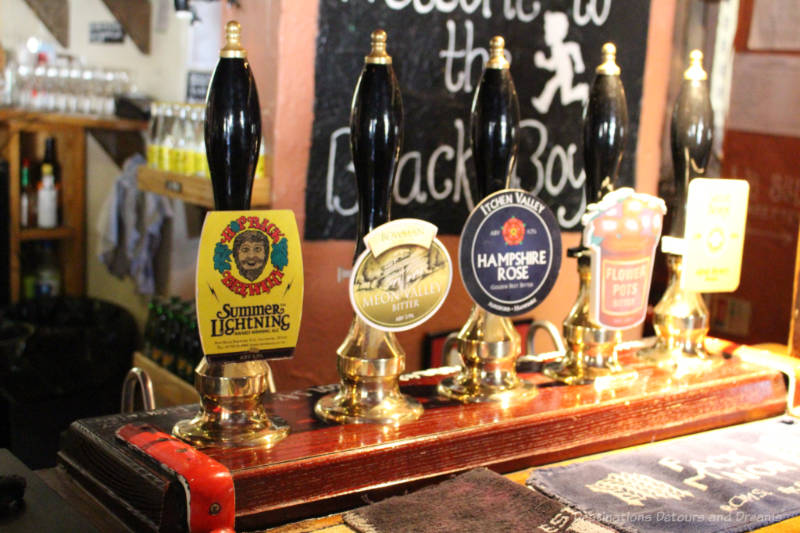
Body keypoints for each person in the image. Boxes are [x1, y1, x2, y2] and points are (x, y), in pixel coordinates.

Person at [531, 11, 589, 114]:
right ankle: (543, 104)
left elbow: (574, 48)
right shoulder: (555, 48)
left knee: (563, 96)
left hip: (566, 74)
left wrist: (579, 64)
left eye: (548, 30)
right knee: (553, 87)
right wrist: (543, 63)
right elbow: (553, 64)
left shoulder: (559, 47)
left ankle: (582, 91)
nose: (546, 33)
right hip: (562, 73)